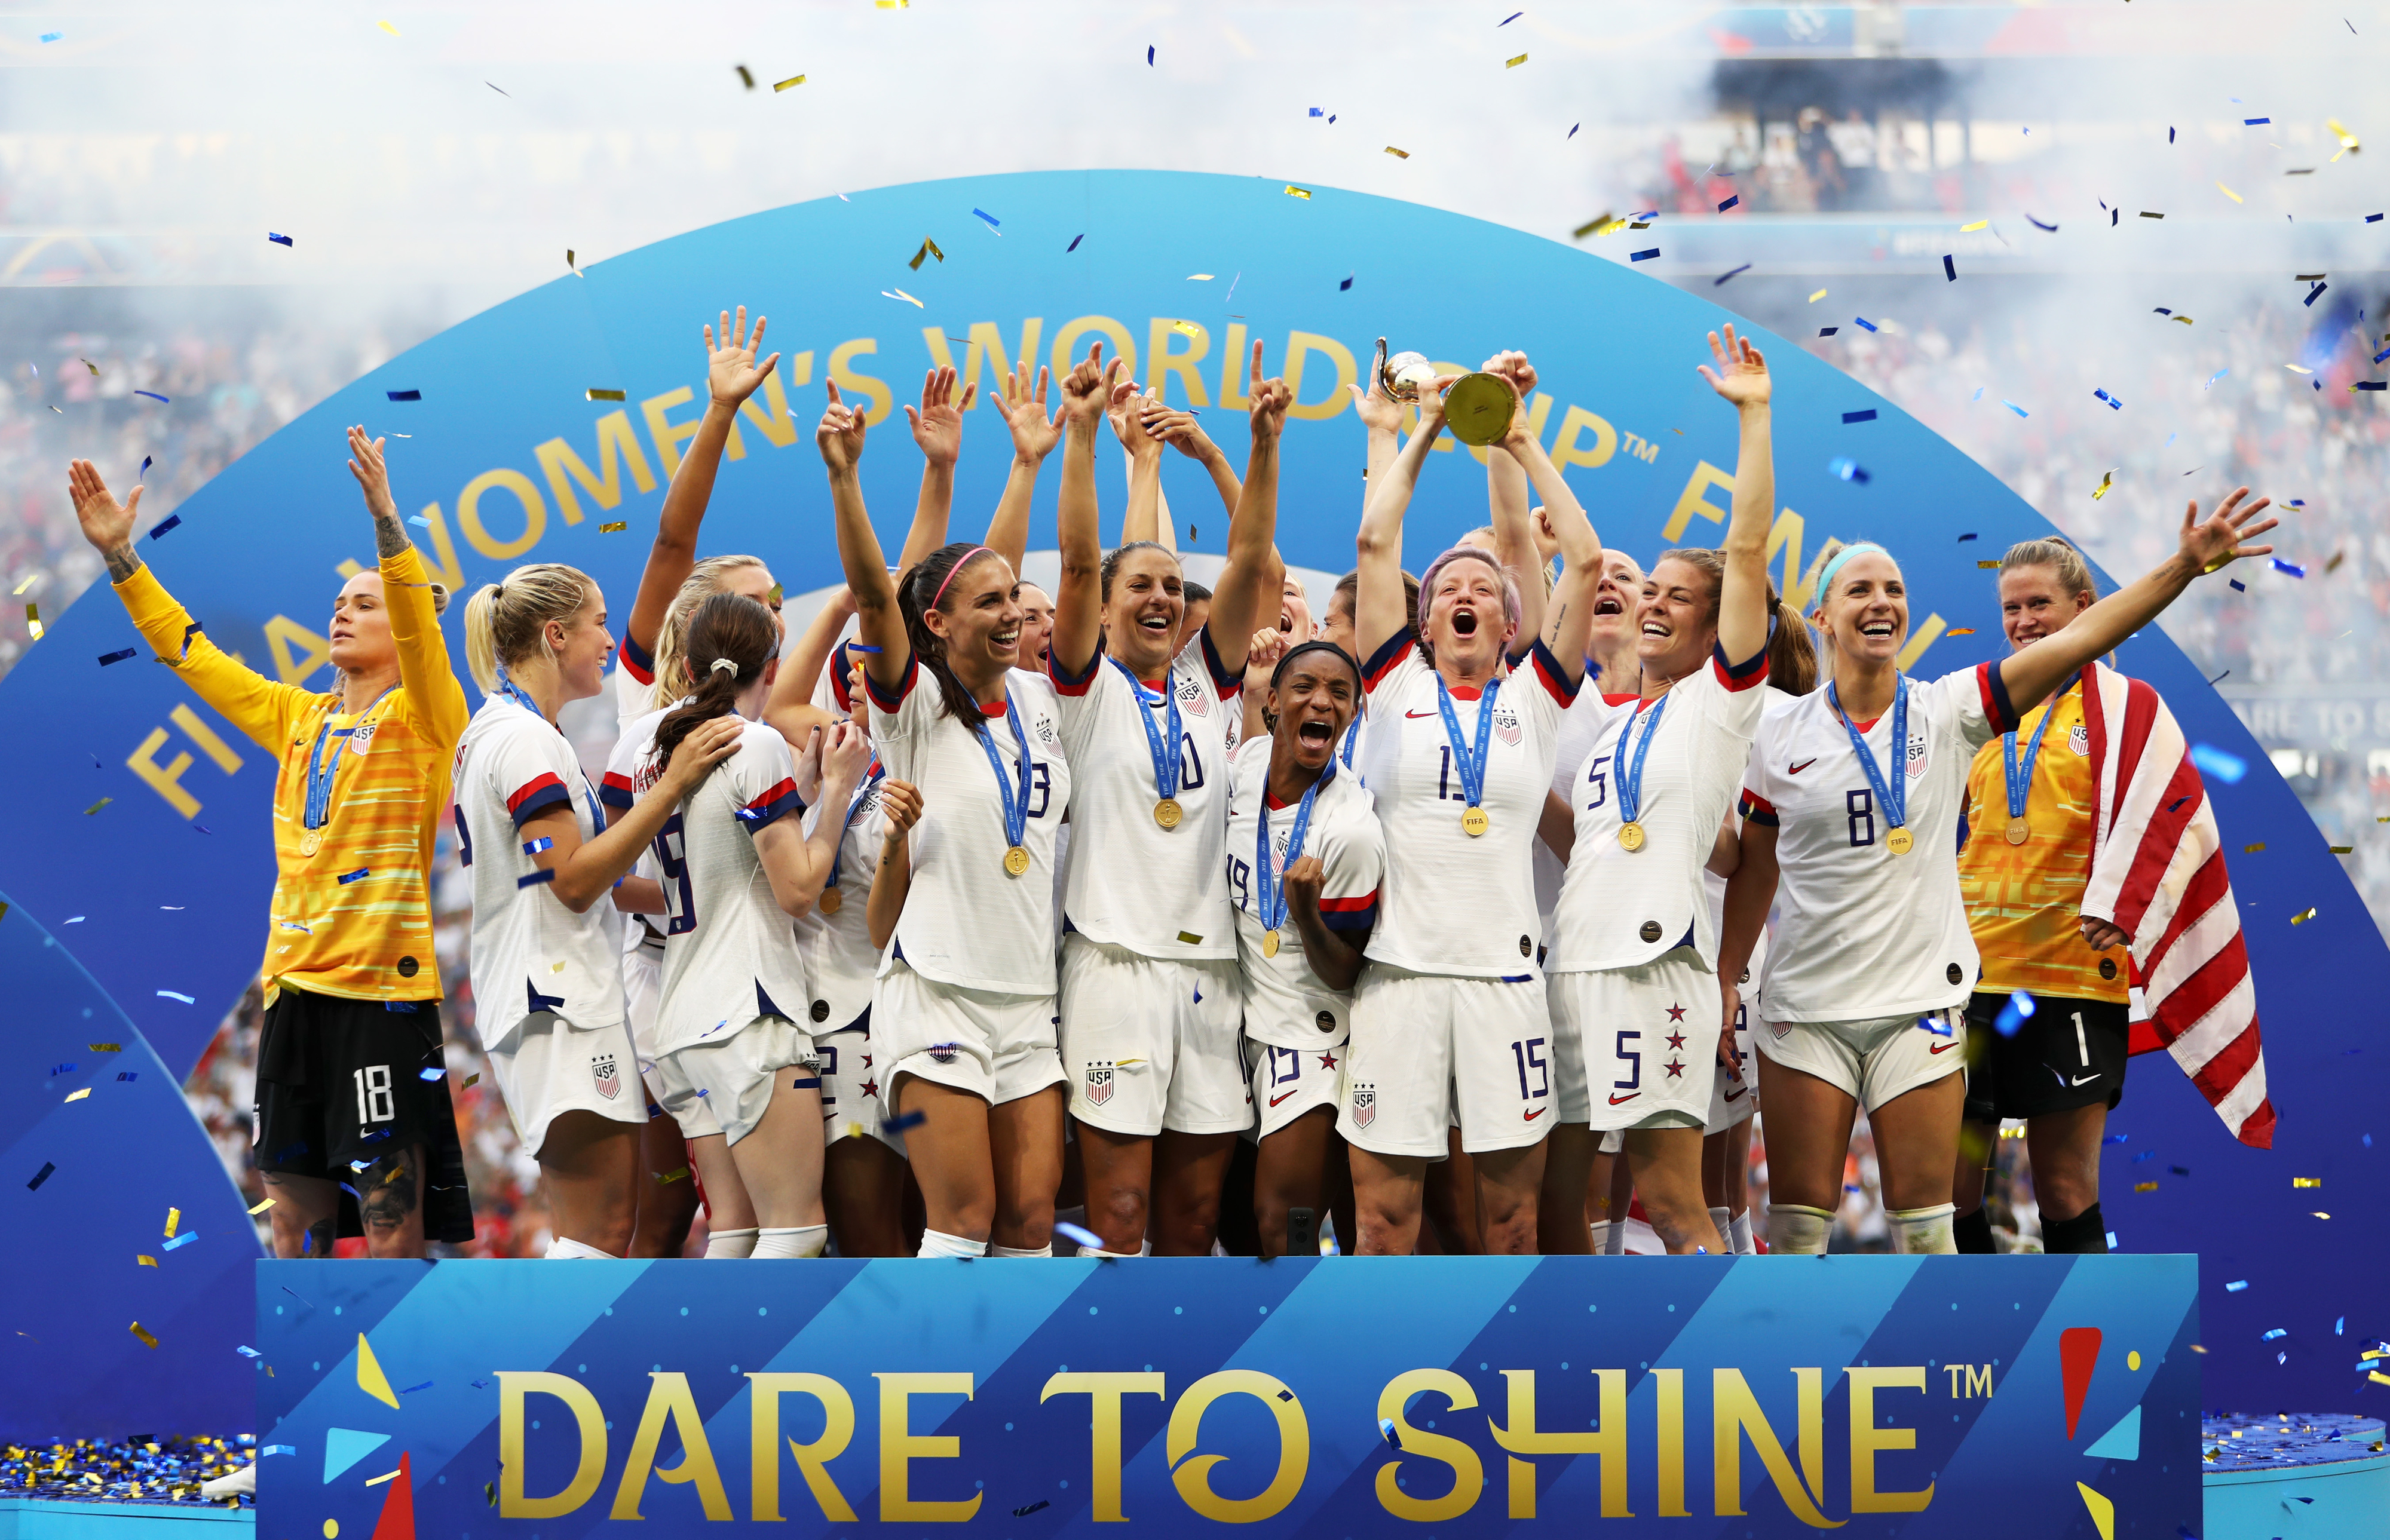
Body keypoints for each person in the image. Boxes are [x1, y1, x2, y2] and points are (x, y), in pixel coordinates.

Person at [1719, 491, 2277, 1254]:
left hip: (1971, 996)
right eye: (1860, 588)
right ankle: (1814, 1372)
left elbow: (2095, 654)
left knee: (1985, 1214)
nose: (1882, 601)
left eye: (1895, 590)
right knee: (1838, 1223)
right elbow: (1752, 866)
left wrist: (2182, 565)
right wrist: (1725, 974)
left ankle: (1993, 1370)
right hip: (1865, 997)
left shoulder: (1959, 709)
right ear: (1822, 615)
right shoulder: (1781, 728)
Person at [69, 432, 473, 1263]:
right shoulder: (297, 717)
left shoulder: (428, 720)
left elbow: (417, 623)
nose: (342, 611)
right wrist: (122, 559)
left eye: (364, 604)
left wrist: (385, 522)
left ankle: (391, 1383)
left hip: (380, 999)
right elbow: (192, 655)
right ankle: (301, 1385)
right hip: (292, 992)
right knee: (292, 1226)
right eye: (341, 602)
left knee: (393, 1218)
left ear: (404, 626)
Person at [1340, 352, 1604, 1256]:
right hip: (1399, 980)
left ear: (1508, 619)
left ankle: (1508, 1388)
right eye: (1446, 587)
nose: (1463, 593)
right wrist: (1426, 425)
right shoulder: (1390, 686)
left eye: (1481, 588)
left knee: (1511, 1222)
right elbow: (1377, 543)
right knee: (1383, 1222)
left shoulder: (1538, 694)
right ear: (1421, 620)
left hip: (1505, 985)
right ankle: (1374, 1382)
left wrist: (1519, 436)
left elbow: (1588, 557)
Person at [820, 375, 1076, 1260]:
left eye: (1019, 599)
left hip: (1027, 1000)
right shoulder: (915, 706)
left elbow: (984, 572)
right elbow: (871, 593)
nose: (1014, 615)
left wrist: (1025, 465)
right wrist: (848, 480)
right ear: (937, 622)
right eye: (991, 604)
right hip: (934, 997)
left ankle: (1023, 1395)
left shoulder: (1046, 702)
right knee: (960, 1223)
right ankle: (946, 1400)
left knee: (1029, 1227)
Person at [1542, 327, 1781, 1256]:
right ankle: (1576, 1383)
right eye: (1657, 592)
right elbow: (1594, 843)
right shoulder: (1616, 726)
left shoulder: (1718, 706)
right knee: (1566, 1207)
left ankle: (1732, 1374)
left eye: (1680, 596)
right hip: (1575, 965)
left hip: (1657, 971)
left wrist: (1754, 419)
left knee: (1676, 1205)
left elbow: (1750, 549)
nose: (1656, 603)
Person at [1047, 340, 1288, 1257]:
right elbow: (1078, 562)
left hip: (1213, 974)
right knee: (1116, 1217)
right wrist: (1088, 442)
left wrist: (1259, 443)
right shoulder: (1081, 689)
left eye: (1169, 589)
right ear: (1104, 608)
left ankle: (1186, 1384)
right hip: (1114, 967)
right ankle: (1114, 1386)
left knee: (1193, 1222)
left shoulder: (1207, 684)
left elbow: (1253, 554)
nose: (1158, 598)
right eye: (1136, 586)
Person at [453, 563, 742, 1258]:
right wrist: (673, 784)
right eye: (599, 622)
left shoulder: (511, 728)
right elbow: (575, 882)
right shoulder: (523, 741)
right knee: (600, 1232)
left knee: (603, 1228)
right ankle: (543, 1364)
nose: (609, 639)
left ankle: (556, 1363)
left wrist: (697, 896)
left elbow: (598, 880)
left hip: (546, 992)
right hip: (557, 998)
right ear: (556, 635)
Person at [638, 593, 873, 1259]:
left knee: (736, 1231)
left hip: (683, 1018)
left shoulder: (662, 748)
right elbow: (797, 889)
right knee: (797, 1231)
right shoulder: (758, 741)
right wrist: (837, 794)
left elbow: (725, 853)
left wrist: (796, 794)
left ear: (686, 665)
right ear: (771, 667)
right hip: (749, 1012)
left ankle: (706, 1362)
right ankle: (744, 1368)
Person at [1947, 539, 2127, 1253]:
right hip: (1967, 984)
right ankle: (1977, 1351)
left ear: (2084, 608)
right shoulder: (1981, 712)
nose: (2023, 621)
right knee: (1950, 1190)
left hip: (2070, 982)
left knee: (2062, 1189)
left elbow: (2164, 823)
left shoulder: (2123, 712)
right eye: (2011, 608)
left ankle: (2085, 1361)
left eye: (2039, 604)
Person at [1226, 640, 1381, 1257]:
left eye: (1339, 693)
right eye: (1304, 688)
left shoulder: (1351, 831)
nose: (1321, 701)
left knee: (1283, 1229)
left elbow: (1347, 971)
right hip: (1231, 1029)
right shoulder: (1241, 771)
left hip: (1309, 1035)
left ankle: (1296, 1349)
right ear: (1272, 702)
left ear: (1353, 713)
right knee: (1232, 1229)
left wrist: (1307, 918)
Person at [768, 630, 917, 1257]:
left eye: (872, 661)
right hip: (817, 1015)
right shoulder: (827, 754)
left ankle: (916, 1354)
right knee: (852, 1231)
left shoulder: (911, 759)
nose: (858, 675)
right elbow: (779, 706)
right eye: (848, 665)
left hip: (875, 1015)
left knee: (884, 1229)